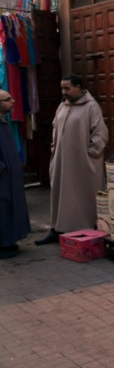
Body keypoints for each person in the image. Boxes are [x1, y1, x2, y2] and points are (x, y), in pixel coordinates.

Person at [35, 74, 108, 245]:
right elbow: (55, 129)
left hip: (83, 163)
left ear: (78, 87)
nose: (64, 92)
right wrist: (54, 151)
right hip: (61, 161)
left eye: (67, 88)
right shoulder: (62, 106)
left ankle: (85, 229)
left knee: (82, 196)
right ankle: (57, 228)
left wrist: (91, 154)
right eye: (62, 88)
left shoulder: (91, 107)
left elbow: (100, 134)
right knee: (60, 195)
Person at [0, 91, 30, 258]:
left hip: (10, 176)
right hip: (3, 177)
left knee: (10, 208)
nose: (13, 101)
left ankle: (9, 242)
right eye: (8, 99)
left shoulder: (4, 121)